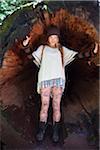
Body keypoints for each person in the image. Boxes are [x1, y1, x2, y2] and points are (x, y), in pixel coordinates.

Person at [22, 25, 98, 143]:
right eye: (51, 37)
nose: (53, 39)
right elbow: (30, 57)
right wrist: (26, 45)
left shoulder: (62, 50)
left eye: (55, 37)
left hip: (58, 80)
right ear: (47, 38)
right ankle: (41, 131)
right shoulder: (42, 49)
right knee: (45, 106)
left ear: (58, 38)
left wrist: (91, 53)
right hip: (45, 80)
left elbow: (78, 56)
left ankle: (56, 132)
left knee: (56, 106)